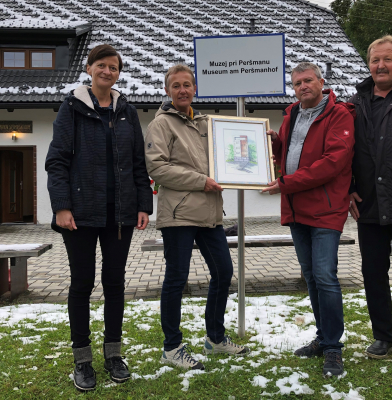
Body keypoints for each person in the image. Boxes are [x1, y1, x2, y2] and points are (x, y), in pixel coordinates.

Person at [45, 44, 153, 391]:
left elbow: (139, 162)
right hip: (79, 216)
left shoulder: (127, 111)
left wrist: (143, 204)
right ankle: (82, 360)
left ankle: (113, 355)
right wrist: (61, 206)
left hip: (118, 217)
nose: (108, 71)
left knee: (115, 284)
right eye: (102, 65)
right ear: (89, 69)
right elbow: (57, 161)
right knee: (81, 285)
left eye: (114, 67)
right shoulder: (71, 108)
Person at [145, 64, 250, 370]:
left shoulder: (205, 123)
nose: (182, 90)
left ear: (195, 89)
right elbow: (157, 168)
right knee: (176, 279)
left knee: (223, 272)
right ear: (167, 91)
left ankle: (215, 338)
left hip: (209, 212)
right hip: (178, 214)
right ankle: (172, 347)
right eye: (176, 85)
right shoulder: (161, 125)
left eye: (187, 85)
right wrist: (200, 181)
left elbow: (227, 154)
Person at [263, 62, 355, 376]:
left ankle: (333, 349)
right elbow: (289, 153)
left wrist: (285, 184)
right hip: (297, 208)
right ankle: (323, 338)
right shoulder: (292, 115)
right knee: (312, 276)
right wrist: (273, 142)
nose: (303, 86)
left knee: (326, 276)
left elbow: (332, 163)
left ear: (321, 81)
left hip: (326, 210)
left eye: (308, 80)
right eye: (298, 82)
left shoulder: (340, 115)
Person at [349, 35, 392, 359]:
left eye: (387, 59)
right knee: (373, 273)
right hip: (368, 203)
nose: (380, 66)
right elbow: (346, 150)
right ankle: (384, 336)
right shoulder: (357, 102)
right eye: (375, 60)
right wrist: (349, 185)